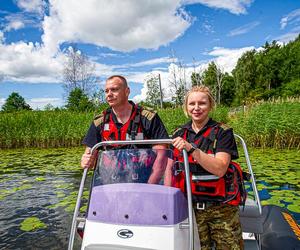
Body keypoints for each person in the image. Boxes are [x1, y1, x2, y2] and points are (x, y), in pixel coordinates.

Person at [168, 86, 243, 250]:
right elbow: (169, 169)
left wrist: (192, 149)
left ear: (210, 106)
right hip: (190, 208)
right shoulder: (178, 133)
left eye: (202, 103)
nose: (196, 108)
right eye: (191, 103)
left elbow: (220, 168)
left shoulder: (223, 132)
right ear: (186, 107)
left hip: (222, 208)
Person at [81, 75, 169, 184]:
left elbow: (161, 159)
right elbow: (89, 157)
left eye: (114, 89)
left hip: (144, 182)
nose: (109, 94)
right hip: (109, 185)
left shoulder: (148, 118)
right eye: (106, 91)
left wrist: (148, 188)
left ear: (127, 91)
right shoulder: (100, 122)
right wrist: (86, 161)